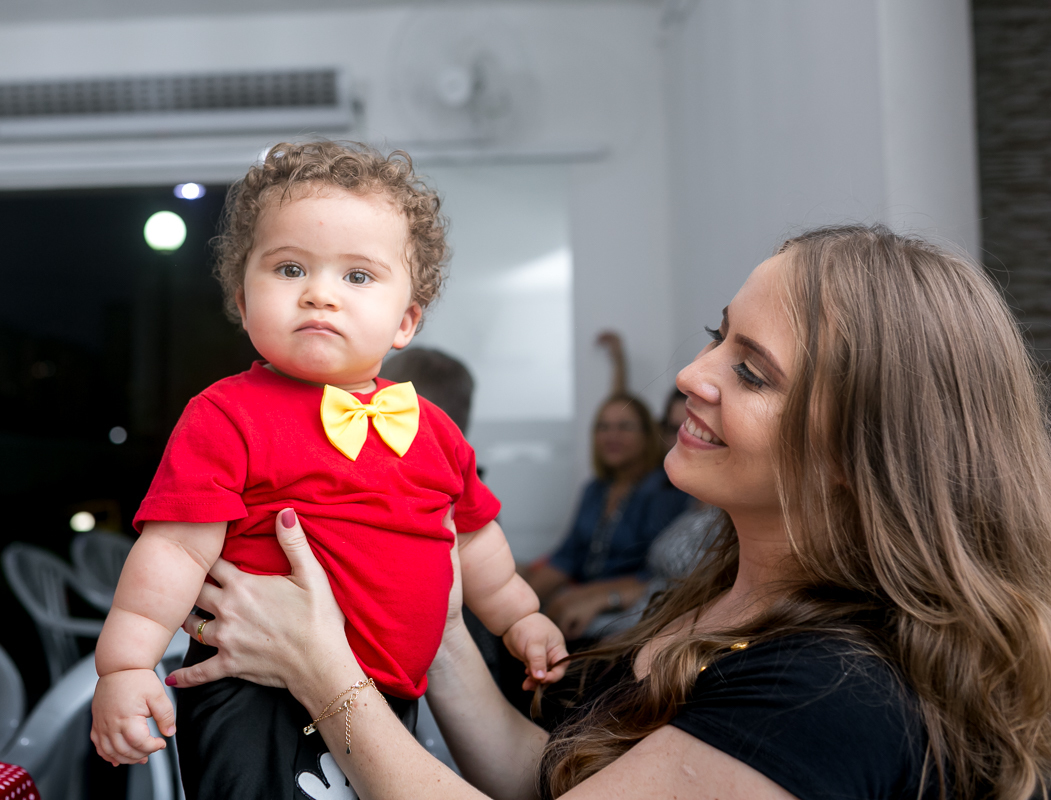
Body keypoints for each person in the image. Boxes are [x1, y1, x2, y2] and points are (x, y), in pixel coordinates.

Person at [165, 224, 1051, 799]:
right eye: (718, 336)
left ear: (860, 458)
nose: (690, 377)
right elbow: (538, 777)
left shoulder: (830, 695)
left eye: (750, 370)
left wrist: (326, 674)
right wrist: (418, 592)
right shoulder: (718, 598)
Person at [89, 140, 567, 798]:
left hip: (386, 696)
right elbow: (171, 549)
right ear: (241, 296)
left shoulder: (431, 429)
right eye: (289, 269)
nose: (319, 294)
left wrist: (519, 618)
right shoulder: (226, 414)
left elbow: (475, 538)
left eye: (357, 277)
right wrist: (124, 666)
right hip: (257, 691)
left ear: (404, 321)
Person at [525, 394, 688, 641]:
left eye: (624, 427)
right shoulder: (594, 490)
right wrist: (516, 605)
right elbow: (566, 558)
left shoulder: (662, 492)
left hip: (627, 607)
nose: (612, 436)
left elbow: (658, 575)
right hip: (579, 597)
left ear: (647, 435)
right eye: (603, 427)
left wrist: (589, 595)